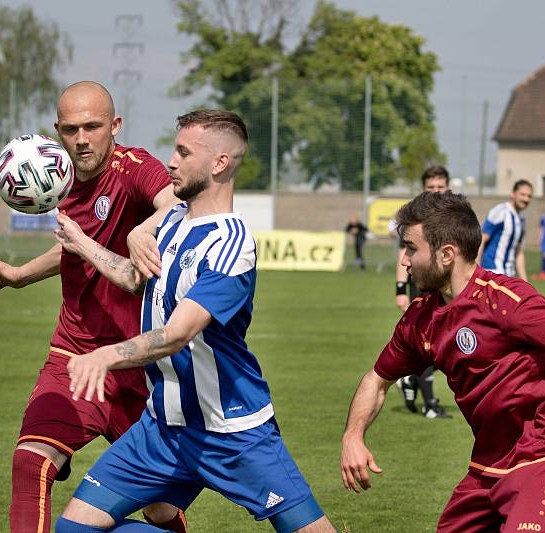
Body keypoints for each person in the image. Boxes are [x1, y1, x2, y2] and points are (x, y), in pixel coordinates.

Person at [54, 110, 336, 533]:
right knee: (74, 529)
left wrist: (105, 356)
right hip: (162, 429)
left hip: (233, 433)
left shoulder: (231, 245)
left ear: (219, 163)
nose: (171, 161)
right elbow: (135, 278)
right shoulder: (169, 222)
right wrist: (81, 243)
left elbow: (178, 334)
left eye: (184, 153)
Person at [340, 191, 545, 531]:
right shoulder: (420, 319)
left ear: (447, 254)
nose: (404, 261)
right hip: (489, 463)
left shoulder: (507, 301)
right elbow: (377, 379)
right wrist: (353, 436)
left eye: (411, 248)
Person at [0, 81, 186, 533]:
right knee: (31, 462)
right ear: (57, 132)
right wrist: (18, 275)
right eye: (71, 129)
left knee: (161, 508)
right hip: (73, 355)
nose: (82, 138)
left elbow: (174, 205)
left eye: (93, 126)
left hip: (139, 363)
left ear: (115, 126)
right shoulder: (57, 178)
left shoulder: (135, 168)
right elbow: (72, 249)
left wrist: (141, 230)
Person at [393, 165, 451, 418]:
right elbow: (402, 254)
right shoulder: (415, 217)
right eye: (431, 187)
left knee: (446, 343)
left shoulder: (453, 215)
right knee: (428, 342)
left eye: (440, 186)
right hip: (422, 286)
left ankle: (410, 378)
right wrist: (400, 289)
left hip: (447, 287)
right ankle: (429, 405)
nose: (437, 191)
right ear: (424, 189)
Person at [478, 179, 533, 281]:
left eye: (529, 196)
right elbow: (482, 239)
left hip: (508, 274)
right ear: (513, 194)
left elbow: (518, 250)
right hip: (493, 271)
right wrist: (476, 270)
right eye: (523, 195)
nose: (526, 199)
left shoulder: (521, 219)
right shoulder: (501, 211)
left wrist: (525, 281)